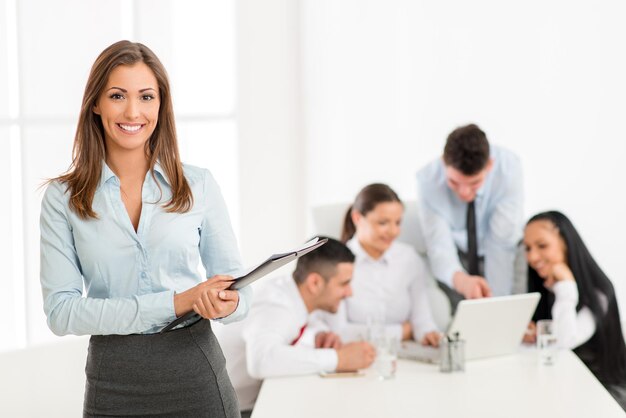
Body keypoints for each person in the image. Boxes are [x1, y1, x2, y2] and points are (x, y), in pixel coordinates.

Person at [39, 40, 251, 417]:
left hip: (196, 377)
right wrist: (176, 302)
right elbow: (61, 312)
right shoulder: (63, 198)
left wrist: (228, 301)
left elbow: (237, 290)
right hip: (113, 382)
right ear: (95, 103)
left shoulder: (198, 184)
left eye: (147, 96)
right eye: (117, 95)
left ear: (161, 105)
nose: (133, 111)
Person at [215, 237, 376, 418]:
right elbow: (261, 360)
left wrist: (317, 335)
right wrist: (338, 359)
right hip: (232, 412)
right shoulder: (276, 306)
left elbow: (299, 325)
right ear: (314, 283)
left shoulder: (291, 293)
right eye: (344, 284)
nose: (350, 293)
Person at [314, 184, 440, 346]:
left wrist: (428, 334)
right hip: (357, 354)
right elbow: (339, 332)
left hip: (404, 353)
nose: (393, 231)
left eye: (398, 223)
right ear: (357, 218)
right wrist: (402, 331)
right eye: (383, 223)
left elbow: (422, 321)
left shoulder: (409, 258)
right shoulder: (338, 264)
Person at [523, 211, 626, 409]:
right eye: (528, 248)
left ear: (566, 243)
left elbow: (564, 340)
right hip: (566, 383)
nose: (532, 257)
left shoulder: (600, 294)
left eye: (542, 246)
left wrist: (567, 287)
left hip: (604, 390)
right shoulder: (545, 287)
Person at [416, 123, 523, 304]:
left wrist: (496, 304)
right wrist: (462, 281)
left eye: (474, 183)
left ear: (489, 166)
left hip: (501, 253)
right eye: (454, 182)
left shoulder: (508, 169)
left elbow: (501, 243)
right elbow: (439, 247)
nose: (464, 192)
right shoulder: (427, 181)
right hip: (457, 257)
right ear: (444, 162)